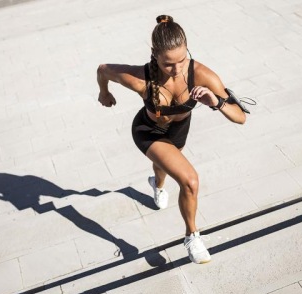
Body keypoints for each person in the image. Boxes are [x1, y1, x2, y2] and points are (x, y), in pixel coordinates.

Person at [97, 15, 246, 264]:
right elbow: (103, 70)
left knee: (164, 165)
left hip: (178, 131)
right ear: (154, 54)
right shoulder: (140, 78)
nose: (176, 69)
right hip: (147, 131)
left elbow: (240, 117)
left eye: (182, 59)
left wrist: (216, 102)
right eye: (168, 64)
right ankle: (192, 236)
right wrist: (104, 92)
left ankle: (157, 183)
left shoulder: (202, 75)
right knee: (190, 181)